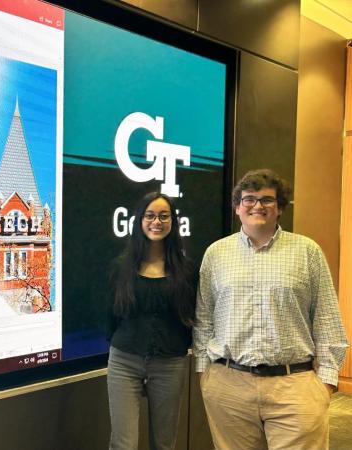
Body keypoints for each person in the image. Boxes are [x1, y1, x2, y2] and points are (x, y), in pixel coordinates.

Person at [194, 169, 349, 450]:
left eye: (267, 199)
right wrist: (206, 375)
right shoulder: (216, 253)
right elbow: (204, 318)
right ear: (237, 207)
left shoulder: (306, 251)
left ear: (279, 208)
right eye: (249, 199)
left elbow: (327, 318)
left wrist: (325, 383)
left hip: (295, 386)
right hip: (229, 385)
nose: (257, 205)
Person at [105, 192, 196, 450]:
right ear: (140, 220)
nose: (157, 222)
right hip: (124, 361)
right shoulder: (121, 266)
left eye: (164, 216)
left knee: (164, 444)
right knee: (124, 444)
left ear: (173, 222)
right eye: (150, 215)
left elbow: (191, 315)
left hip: (170, 363)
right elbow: (110, 315)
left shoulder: (186, 269)